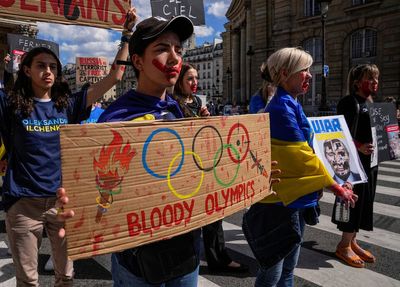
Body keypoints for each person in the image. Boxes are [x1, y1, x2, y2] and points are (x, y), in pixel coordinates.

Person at [58, 15, 202, 287]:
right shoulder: (116, 119)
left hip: (185, 255)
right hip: (139, 262)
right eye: (162, 49)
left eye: (178, 50)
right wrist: (78, 206)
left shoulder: (177, 110)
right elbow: (96, 189)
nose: (174, 58)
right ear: (137, 61)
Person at [0, 8, 137, 286]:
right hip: (24, 204)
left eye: (53, 66)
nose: (48, 71)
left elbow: (115, 78)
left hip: (63, 204)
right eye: (40, 65)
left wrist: (127, 35)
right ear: (27, 70)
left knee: (66, 275)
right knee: (27, 279)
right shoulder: (12, 105)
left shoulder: (68, 105)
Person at [242, 47, 357, 287]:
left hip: (292, 199)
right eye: (304, 70)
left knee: (286, 270)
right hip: (280, 204)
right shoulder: (281, 107)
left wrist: (336, 176)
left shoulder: (288, 103)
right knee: (273, 273)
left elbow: (308, 149)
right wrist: (336, 186)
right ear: (284, 74)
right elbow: (301, 155)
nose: (310, 75)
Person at [173, 62, 248, 273]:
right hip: (186, 168)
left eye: (196, 78)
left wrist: (208, 119)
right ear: (179, 81)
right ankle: (187, 261)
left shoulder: (196, 101)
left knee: (214, 214)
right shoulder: (173, 104)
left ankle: (218, 257)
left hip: (205, 165)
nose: (194, 82)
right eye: (189, 78)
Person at [332, 64, 380, 268]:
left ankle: (352, 241)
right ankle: (344, 245)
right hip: (354, 163)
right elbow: (341, 133)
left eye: (377, 78)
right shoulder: (349, 102)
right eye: (371, 78)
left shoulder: (370, 101)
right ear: (357, 82)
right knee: (353, 202)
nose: (376, 82)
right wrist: (359, 147)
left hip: (371, 161)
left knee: (364, 203)